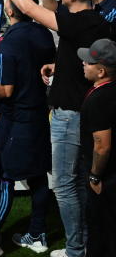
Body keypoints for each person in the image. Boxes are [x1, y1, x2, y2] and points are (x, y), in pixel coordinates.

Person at [0, 0, 111, 257]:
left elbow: (28, 9)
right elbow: (60, 22)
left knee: (66, 186)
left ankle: (75, 249)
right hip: (85, 110)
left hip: (70, 116)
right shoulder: (94, 21)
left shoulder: (76, 24)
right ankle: (83, 243)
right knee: (78, 182)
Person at [0, 0, 55, 255]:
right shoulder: (44, 34)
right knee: (38, 176)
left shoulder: (8, 43)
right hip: (39, 115)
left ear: (10, 10)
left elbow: (5, 90)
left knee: (5, 179)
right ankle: (38, 233)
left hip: (16, 120)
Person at [78, 38, 116, 257]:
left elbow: (102, 146)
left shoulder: (98, 99)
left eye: (88, 62)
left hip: (106, 178)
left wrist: (94, 176)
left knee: (101, 232)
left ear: (101, 71)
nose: (83, 63)